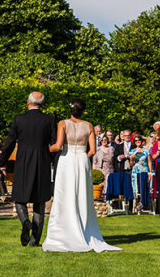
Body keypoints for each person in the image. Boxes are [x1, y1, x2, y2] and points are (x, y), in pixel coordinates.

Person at [42, 98, 121, 252]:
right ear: (83, 110)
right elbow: (92, 150)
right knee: (82, 195)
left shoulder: (63, 123)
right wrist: (83, 156)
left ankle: (63, 232)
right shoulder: (89, 125)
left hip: (67, 159)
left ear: (70, 110)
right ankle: (84, 229)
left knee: (64, 194)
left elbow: (58, 146)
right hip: (82, 160)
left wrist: (45, 149)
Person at [0, 91, 57, 246]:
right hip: (42, 162)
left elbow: (10, 142)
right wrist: (49, 160)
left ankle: (25, 221)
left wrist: (2, 161)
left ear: (28, 102)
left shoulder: (19, 119)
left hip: (23, 161)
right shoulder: (49, 120)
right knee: (40, 200)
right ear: (43, 104)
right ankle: (34, 240)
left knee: (19, 197)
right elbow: (54, 145)